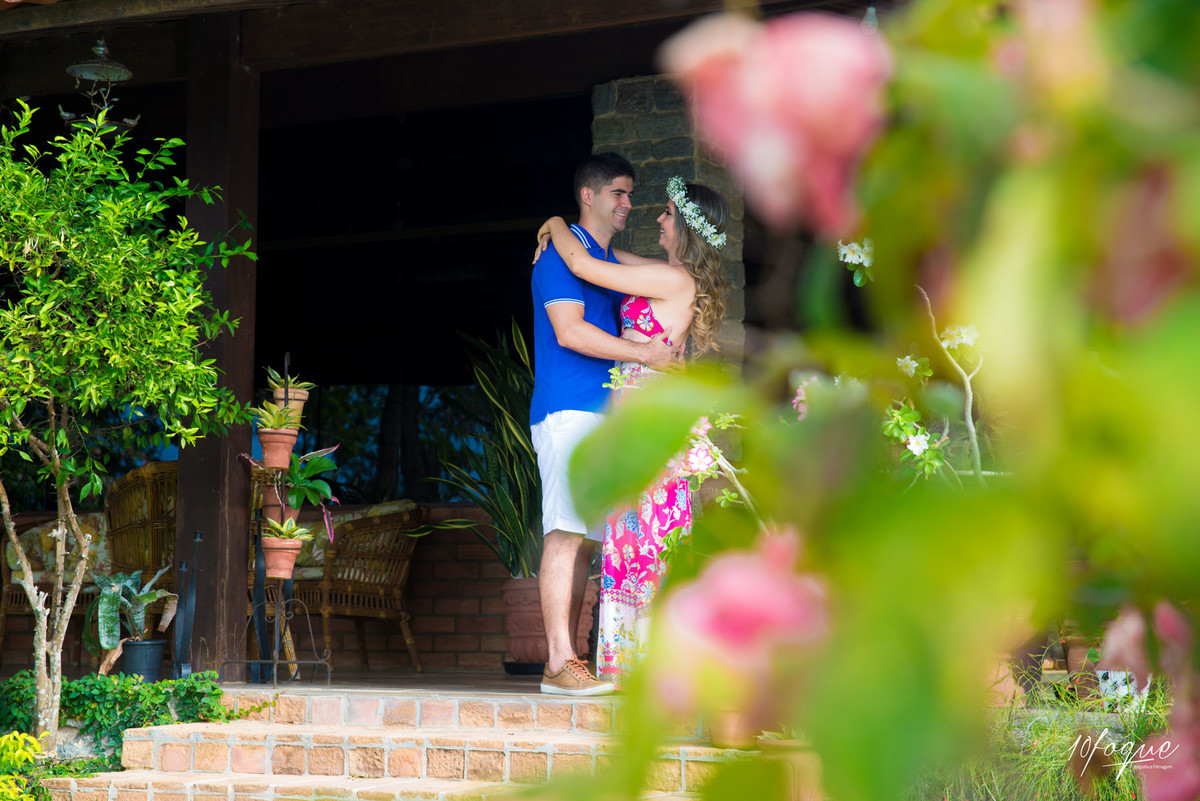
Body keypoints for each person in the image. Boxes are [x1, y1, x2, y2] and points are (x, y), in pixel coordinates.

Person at [537, 175, 729, 687]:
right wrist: (568, 231)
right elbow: (606, 257)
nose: (659, 219)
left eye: (668, 213)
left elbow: (583, 264)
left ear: (685, 226)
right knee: (631, 544)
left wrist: (554, 223)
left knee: (647, 543)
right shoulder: (667, 273)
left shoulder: (676, 283)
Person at [530, 152, 680, 696]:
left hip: (601, 419)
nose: (628, 203)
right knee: (565, 534)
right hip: (566, 411)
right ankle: (557, 662)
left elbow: (656, 276)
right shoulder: (556, 259)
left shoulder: (598, 257)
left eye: (631, 194)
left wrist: (551, 223)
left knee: (589, 542)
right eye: (619, 192)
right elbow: (570, 332)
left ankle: (566, 662)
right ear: (588, 195)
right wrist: (643, 352)